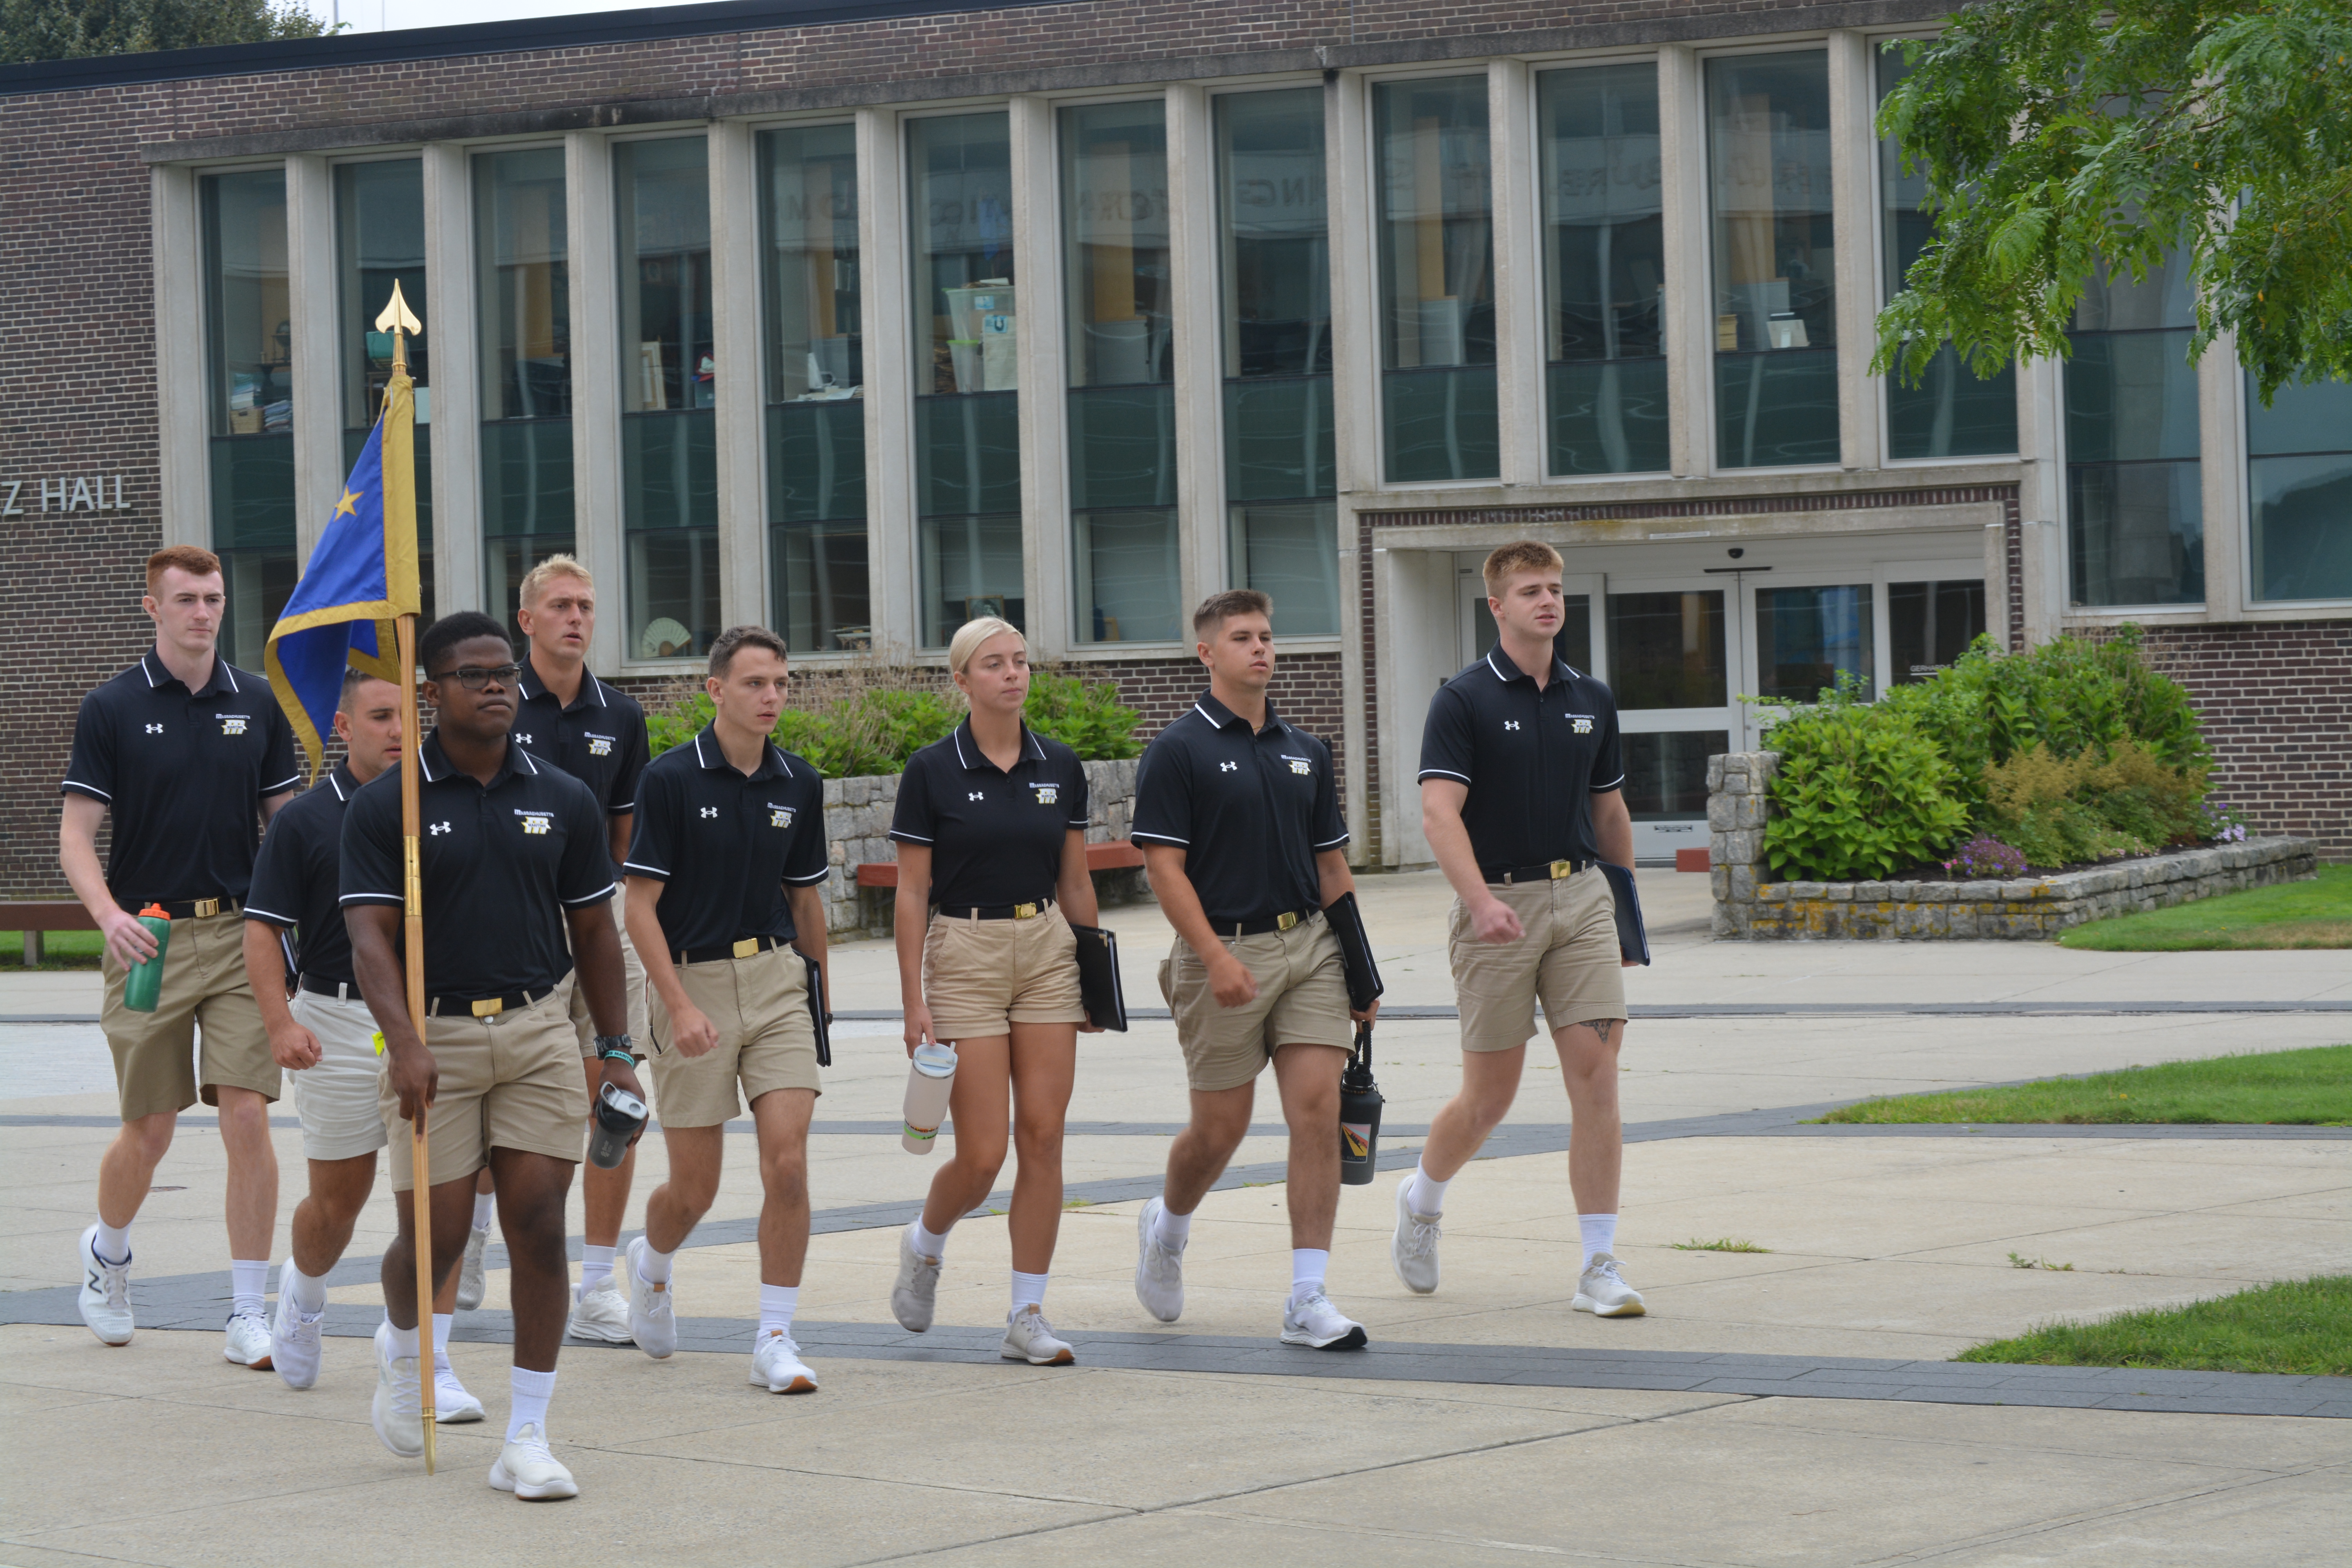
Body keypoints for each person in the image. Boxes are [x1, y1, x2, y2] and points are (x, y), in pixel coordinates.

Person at [341, 611, 643, 1500]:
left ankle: (527, 1434)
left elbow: (595, 928)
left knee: (540, 1223)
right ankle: (405, 1353)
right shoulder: (384, 807)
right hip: (433, 1035)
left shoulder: (564, 794)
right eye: (474, 674)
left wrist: (616, 1050)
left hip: (539, 1029)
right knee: (428, 1239)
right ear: (431, 691)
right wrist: (402, 1042)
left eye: (504, 672)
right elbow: (368, 935)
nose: (498, 686)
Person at [60, 545, 302, 1361]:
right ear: (152, 608)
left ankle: (245, 1311)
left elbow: (288, 828)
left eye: (214, 597)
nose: (204, 612)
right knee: (151, 1127)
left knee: (246, 1113)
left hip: (241, 935)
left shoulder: (259, 704)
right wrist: (107, 914)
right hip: (150, 937)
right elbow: (76, 835)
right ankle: (109, 1254)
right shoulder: (113, 706)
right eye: (187, 599)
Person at [1128, 590, 1377, 1350]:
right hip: (1222, 955)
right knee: (1219, 1130)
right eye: (1243, 638)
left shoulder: (1307, 747)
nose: (1261, 648)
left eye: (1268, 635)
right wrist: (1214, 955)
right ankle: (1167, 1227)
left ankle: (1308, 1295)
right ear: (1208, 653)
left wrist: (1362, 972)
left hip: (1310, 950)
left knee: (1315, 1113)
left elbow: (1332, 866)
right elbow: (1164, 868)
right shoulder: (1179, 749)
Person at [1401, 540, 1643, 1316]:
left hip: (1581, 903)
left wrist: (1627, 917)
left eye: (1555, 588)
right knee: (1489, 1098)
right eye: (1530, 590)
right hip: (1495, 910)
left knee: (1597, 1076)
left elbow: (1609, 811)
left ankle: (1598, 1263)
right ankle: (1422, 1197)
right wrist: (1478, 900)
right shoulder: (1463, 700)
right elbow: (1440, 813)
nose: (1547, 600)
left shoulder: (1590, 697)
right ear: (1497, 605)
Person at [245, 668, 481, 1418]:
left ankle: (428, 1359)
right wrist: (281, 1023)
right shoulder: (306, 821)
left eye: (408, 715)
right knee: (336, 1204)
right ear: (344, 727)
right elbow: (262, 929)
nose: (398, 730)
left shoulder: (442, 805)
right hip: (337, 1022)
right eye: (380, 717)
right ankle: (305, 1290)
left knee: (436, 1203)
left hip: (431, 1019)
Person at [618, 625, 833, 1392]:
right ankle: (653, 1261)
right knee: (695, 1188)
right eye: (754, 683)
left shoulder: (798, 782)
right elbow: (638, 907)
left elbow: (806, 899)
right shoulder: (672, 780)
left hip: (775, 982)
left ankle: (775, 1334)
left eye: (780, 682)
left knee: (788, 1160)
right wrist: (675, 1006)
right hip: (690, 983)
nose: (771, 695)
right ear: (715, 689)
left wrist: (821, 1003)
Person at [886, 616, 1102, 1367]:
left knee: (1043, 1137)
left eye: (1020, 661)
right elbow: (912, 893)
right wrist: (916, 1000)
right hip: (964, 953)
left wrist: (1095, 980)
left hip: (1046, 949)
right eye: (994, 664)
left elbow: (1074, 879)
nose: (1013, 674)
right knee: (981, 1156)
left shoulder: (1061, 766)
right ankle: (926, 1243)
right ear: (962, 680)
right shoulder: (931, 770)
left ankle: (1027, 1312)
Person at [452, 555, 652, 1339]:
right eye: (561, 605)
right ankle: (467, 1238)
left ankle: (599, 1282)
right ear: (526, 620)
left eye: (588, 606)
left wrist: (613, 903)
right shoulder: (495, 700)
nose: (577, 617)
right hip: (507, 925)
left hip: (596, 923)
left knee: (619, 1101)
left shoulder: (621, 716)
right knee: (492, 1089)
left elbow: (626, 830)